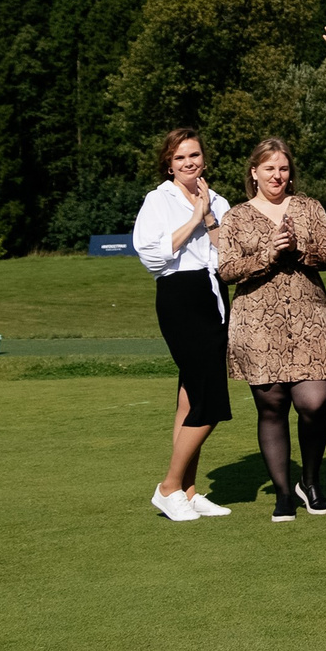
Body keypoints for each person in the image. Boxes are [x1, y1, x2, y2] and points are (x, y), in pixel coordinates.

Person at [215, 137, 326, 523]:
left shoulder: (308, 207)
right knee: (272, 407)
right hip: (257, 323)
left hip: (309, 319)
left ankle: (310, 479)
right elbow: (226, 269)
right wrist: (268, 254)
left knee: (314, 401)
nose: (277, 175)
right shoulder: (235, 217)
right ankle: (284, 493)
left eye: (283, 168)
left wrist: (298, 249)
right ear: (254, 172)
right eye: (269, 168)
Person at [134, 128, 234, 522]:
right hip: (180, 295)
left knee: (191, 396)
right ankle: (169, 487)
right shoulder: (157, 200)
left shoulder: (218, 200)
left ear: (203, 159)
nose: (188, 163)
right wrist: (194, 216)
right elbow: (152, 255)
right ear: (169, 164)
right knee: (209, 399)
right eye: (179, 158)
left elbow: (227, 249)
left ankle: (189, 493)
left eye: (194, 155)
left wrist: (208, 212)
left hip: (214, 296)